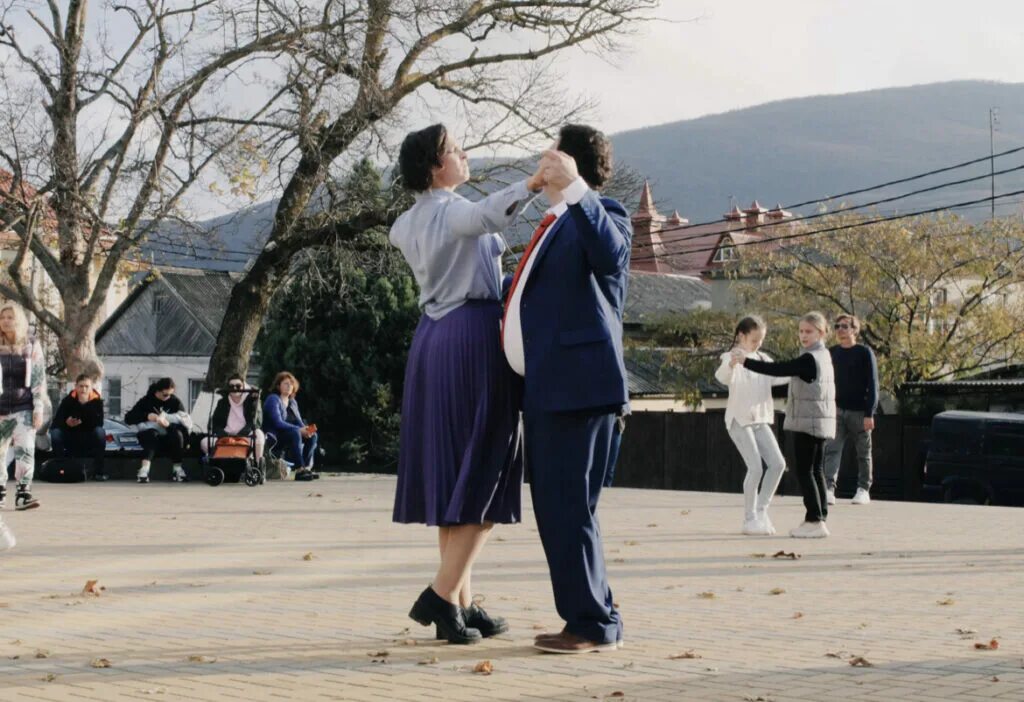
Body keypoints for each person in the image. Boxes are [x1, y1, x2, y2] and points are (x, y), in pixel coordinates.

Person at [391, 123, 543, 645]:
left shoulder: (408, 222)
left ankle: (459, 603)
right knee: (487, 467)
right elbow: (482, 216)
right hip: (472, 337)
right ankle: (440, 595)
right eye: (456, 149)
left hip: (432, 339)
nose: (465, 153)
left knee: (457, 470)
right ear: (436, 167)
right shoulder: (451, 210)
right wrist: (531, 184)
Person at [504, 125, 630, 654]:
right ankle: (594, 614)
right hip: (548, 390)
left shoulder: (602, 213)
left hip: (579, 390)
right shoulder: (553, 222)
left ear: (569, 160)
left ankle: (591, 625)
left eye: (552, 151)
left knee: (568, 508)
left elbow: (612, 254)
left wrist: (578, 189)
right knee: (563, 509)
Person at [733, 312, 836, 539]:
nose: (803, 335)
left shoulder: (810, 359)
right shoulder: (824, 356)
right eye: (800, 331)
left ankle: (813, 520)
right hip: (822, 422)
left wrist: (746, 362)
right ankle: (820, 518)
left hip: (808, 422)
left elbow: (779, 369)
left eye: (808, 331)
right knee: (817, 470)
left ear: (821, 333)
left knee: (806, 471)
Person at [715, 316, 789, 536]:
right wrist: (731, 364)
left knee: (777, 464)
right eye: (754, 339)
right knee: (755, 467)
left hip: (760, 419)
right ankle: (749, 519)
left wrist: (800, 370)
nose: (758, 343)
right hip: (739, 420)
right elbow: (722, 377)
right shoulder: (732, 356)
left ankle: (761, 510)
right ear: (741, 336)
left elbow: (778, 377)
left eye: (761, 339)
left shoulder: (763, 358)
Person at [822, 314, 879, 506]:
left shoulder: (864, 352)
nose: (840, 330)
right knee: (832, 450)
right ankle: (828, 489)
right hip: (836, 410)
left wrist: (869, 413)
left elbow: (873, 384)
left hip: (859, 412)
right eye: (837, 326)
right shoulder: (832, 353)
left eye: (844, 326)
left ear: (854, 330)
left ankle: (863, 489)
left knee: (863, 452)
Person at [0, 301, 48, 511]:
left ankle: (23, 492)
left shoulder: (30, 344)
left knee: (25, 451)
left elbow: (38, 378)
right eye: (2, 317)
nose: (5, 321)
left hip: (23, 407)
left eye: (10, 317)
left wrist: (38, 409)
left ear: (18, 320)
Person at [125, 378, 193, 483]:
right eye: (165, 395)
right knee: (151, 434)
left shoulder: (174, 401)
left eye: (170, 394)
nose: (168, 398)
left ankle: (177, 469)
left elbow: (184, 423)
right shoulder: (146, 401)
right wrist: (146, 416)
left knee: (177, 434)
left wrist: (168, 425)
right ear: (157, 391)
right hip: (150, 435)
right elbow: (128, 418)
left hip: (169, 437)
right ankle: (144, 470)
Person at [50, 373, 107, 480]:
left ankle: (99, 471)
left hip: (89, 438)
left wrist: (85, 408)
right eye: (81, 386)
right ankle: (60, 469)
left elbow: (99, 423)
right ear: (76, 387)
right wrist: (67, 423)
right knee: (55, 433)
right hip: (71, 436)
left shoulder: (97, 402)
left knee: (100, 432)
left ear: (91, 388)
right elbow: (56, 422)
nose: (83, 389)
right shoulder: (68, 401)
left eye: (86, 386)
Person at [263, 372, 318, 480]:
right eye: (286, 384)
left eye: (291, 384)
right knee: (295, 432)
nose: (289, 386)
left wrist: (307, 430)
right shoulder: (273, 399)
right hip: (274, 437)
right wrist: (299, 429)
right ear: (278, 386)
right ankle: (299, 470)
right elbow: (277, 423)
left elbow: (299, 422)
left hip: (290, 435)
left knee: (314, 435)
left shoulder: (293, 402)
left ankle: (306, 468)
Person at [202, 375, 264, 459]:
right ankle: (218, 463)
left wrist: (255, 400)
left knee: (259, 435)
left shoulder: (251, 400)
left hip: (245, 435)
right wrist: (224, 434)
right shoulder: (222, 402)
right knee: (204, 442)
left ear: (243, 386)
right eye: (231, 386)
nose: (235, 389)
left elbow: (256, 422)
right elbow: (216, 423)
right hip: (225, 436)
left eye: (238, 386)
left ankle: (256, 465)